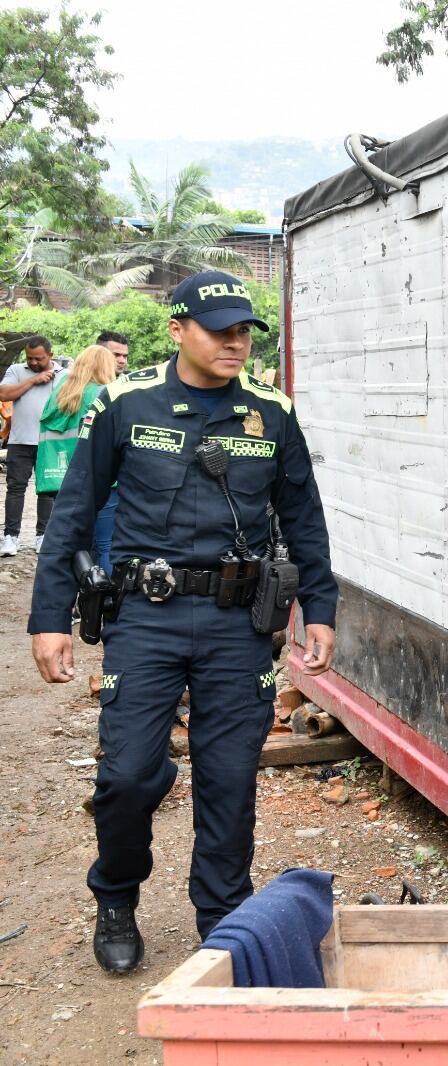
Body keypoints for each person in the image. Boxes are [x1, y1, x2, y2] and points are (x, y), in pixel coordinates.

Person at [28, 271, 338, 975]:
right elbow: (74, 513)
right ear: (177, 331)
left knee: (230, 780)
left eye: (243, 331)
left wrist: (319, 608)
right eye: (218, 329)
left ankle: (222, 925)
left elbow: (304, 522)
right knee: (132, 774)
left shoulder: (272, 413)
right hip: (148, 618)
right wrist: (49, 618)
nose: (234, 342)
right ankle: (115, 894)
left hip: (238, 625)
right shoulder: (125, 403)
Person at [35, 346, 119, 544]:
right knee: (104, 543)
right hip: (100, 479)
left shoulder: (58, 396)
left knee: (72, 541)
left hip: (61, 478)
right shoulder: (104, 394)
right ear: (106, 367)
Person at [0, 336, 64, 556]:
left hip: (51, 443)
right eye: (30, 358)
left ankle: (43, 536)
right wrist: (33, 380)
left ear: (50, 355)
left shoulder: (65, 375)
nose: (34, 363)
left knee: (47, 491)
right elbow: (3, 394)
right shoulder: (17, 370)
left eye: (39, 359)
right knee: (15, 489)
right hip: (20, 441)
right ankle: (10, 537)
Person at [92, 331, 132, 572]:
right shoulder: (99, 393)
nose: (121, 360)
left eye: (125, 356)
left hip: (112, 483)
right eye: (115, 354)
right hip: (104, 483)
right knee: (106, 544)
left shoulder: (128, 390)